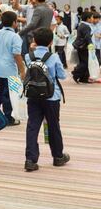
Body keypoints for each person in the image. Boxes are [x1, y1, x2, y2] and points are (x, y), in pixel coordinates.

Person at [24, 28, 70, 172]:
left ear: (34, 41)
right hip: (51, 97)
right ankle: (57, 156)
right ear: (51, 41)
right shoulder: (54, 57)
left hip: (32, 95)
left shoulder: (28, 56)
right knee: (53, 125)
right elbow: (62, 76)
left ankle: (30, 160)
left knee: (32, 126)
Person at [0, 12, 25, 125]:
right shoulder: (15, 37)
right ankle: (9, 118)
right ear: (14, 22)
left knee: (0, 91)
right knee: (9, 94)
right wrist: (22, 70)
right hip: (10, 71)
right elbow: (17, 55)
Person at [72, 12, 99, 83]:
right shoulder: (86, 26)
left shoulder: (83, 25)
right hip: (84, 47)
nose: (93, 19)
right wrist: (91, 44)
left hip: (82, 47)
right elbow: (87, 37)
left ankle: (84, 78)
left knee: (85, 62)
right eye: (92, 17)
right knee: (85, 63)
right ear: (88, 19)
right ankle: (76, 73)